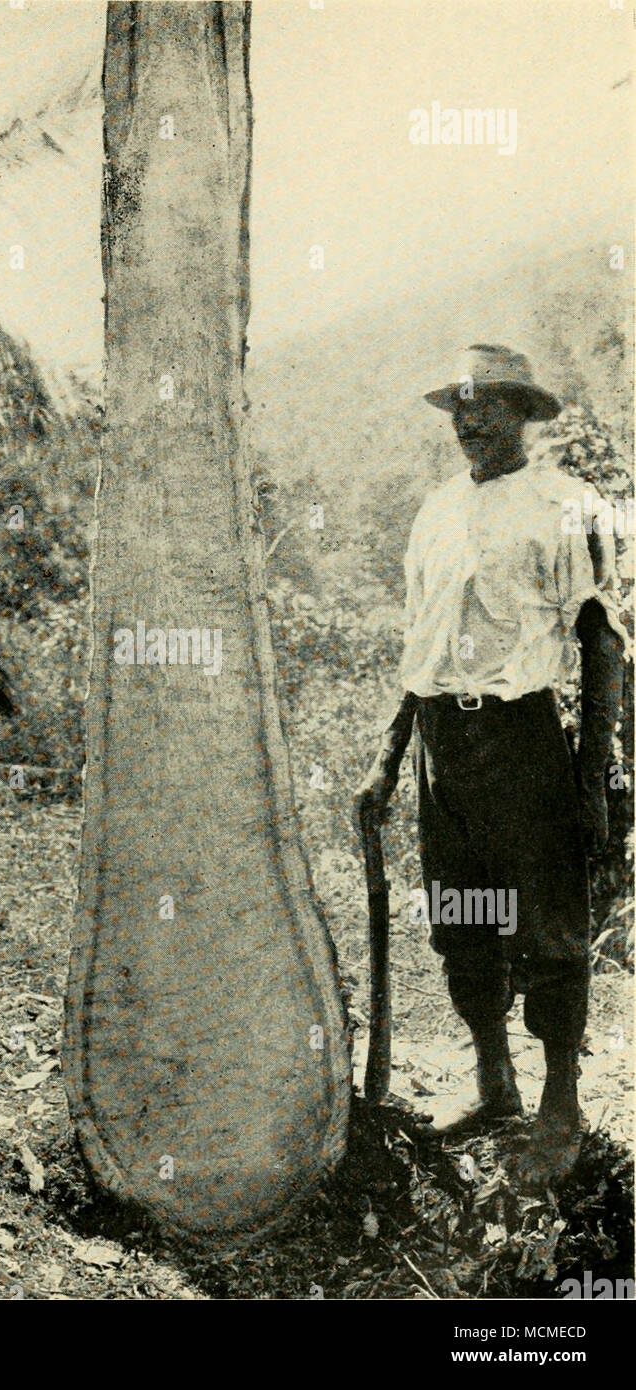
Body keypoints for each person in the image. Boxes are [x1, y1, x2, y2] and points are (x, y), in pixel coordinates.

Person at [355, 344, 626, 1184]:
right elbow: (421, 651)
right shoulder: (434, 511)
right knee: (463, 919)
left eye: (487, 406)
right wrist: (387, 761)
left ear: (521, 412)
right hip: (445, 747)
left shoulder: (566, 504)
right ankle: (492, 1083)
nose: (469, 421)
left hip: (522, 744)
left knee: (546, 931)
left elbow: (600, 641)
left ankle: (559, 1106)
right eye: (460, 407)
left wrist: (594, 775)